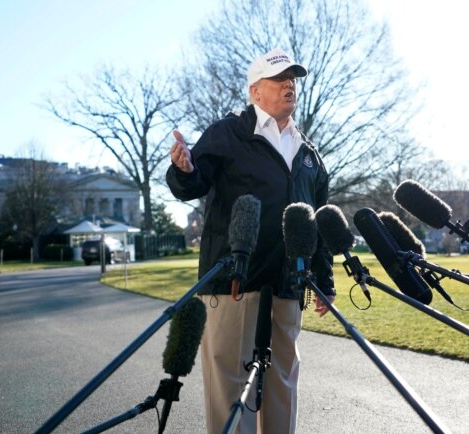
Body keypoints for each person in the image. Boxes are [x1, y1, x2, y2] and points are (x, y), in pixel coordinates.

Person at [166, 47, 335, 434]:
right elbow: (193, 181)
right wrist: (183, 170)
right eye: (280, 79)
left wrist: (322, 283)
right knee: (230, 391)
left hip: (289, 287)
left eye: (292, 79)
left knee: (283, 386)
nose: (289, 85)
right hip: (233, 284)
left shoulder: (308, 152)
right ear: (255, 91)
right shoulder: (228, 133)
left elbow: (319, 222)